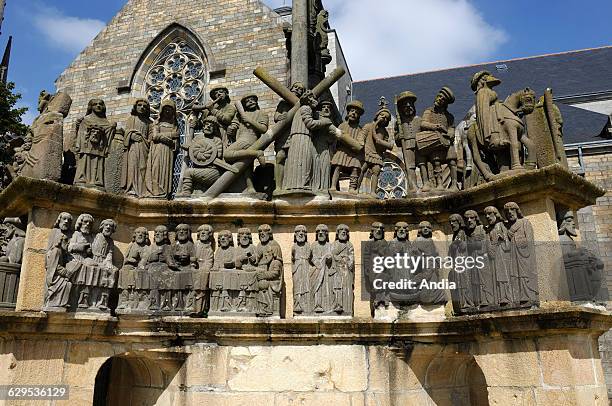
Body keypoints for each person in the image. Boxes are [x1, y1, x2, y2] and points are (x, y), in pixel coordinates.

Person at [282, 91, 336, 192]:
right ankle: (300, 184)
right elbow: (310, 124)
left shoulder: (305, 109)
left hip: (303, 137)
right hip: (301, 137)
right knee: (303, 160)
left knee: (311, 158)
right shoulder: (306, 108)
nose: (316, 101)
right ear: (309, 99)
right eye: (314, 99)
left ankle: (305, 184)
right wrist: (324, 122)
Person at [73, 99, 116, 189]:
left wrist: (112, 127)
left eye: (100, 104)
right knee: (85, 159)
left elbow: (107, 134)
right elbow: (80, 132)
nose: (98, 106)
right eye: (95, 104)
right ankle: (82, 178)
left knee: (98, 161)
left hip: (99, 148)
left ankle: (97, 181)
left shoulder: (106, 122)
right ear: (91, 107)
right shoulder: (85, 119)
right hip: (86, 146)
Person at [274, 82, 306, 190]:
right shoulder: (283, 102)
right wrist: (280, 116)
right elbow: (276, 116)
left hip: (295, 133)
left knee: (294, 159)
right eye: (295, 87)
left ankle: (291, 185)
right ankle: (278, 186)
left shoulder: (303, 105)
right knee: (280, 157)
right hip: (283, 133)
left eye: (300, 89)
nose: (297, 89)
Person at [145, 99, 179, 198]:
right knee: (156, 168)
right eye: (166, 109)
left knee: (166, 171)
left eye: (170, 109)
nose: (168, 111)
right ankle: (155, 190)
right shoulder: (157, 123)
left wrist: (170, 140)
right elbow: (155, 137)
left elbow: (175, 144)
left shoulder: (174, 126)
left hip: (168, 152)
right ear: (162, 111)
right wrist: (170, 136)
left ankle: (164, 193)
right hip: (158, 149)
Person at [331, 100, 366, 193]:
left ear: (359, 116)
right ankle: (333, 186)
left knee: (355, 167)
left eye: (357, 113)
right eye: (352, 111)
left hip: (353, 154)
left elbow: (360, 144)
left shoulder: (360, 129)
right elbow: (336, 140)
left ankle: (352, 188)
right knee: (338, 166)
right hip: (342, 151)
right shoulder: (342, 125)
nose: (354, 114)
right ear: (348, 113)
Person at [359, 108, 394, 195]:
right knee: (362, 169)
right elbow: (362, 135)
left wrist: (382, 144)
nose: (383, 118)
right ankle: (356, 189)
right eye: (382, 115)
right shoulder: (368, 126)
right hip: (367, 151)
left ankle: (373, 192)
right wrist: (361, 143)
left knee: (376, 171)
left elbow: (385, 145)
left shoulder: (385, 132)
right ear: (377, 116)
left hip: (377, 154)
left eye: (386, 118)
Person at [122, 99, 152, 197]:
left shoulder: (149, 123)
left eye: (144, 106)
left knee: (143, 167)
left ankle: (141, 190)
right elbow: (126, 132)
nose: (142, 107)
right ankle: (131, 188)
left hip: (144, 148)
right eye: (139, 105)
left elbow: (151, 137)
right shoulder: (132, 118)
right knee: (133, 165)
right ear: (135, 107)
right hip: (133, 146)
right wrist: (131, 136)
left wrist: (146, 140)